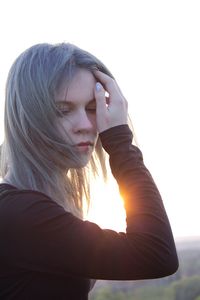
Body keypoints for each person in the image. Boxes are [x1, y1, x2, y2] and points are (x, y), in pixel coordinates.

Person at [0, 43, 178, 300]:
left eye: (93, 108)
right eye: (63, 110)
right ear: (29, 116)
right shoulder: (16, 213)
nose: (86, 125)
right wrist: (119, 143)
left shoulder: (34, 202)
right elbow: (156, 254)